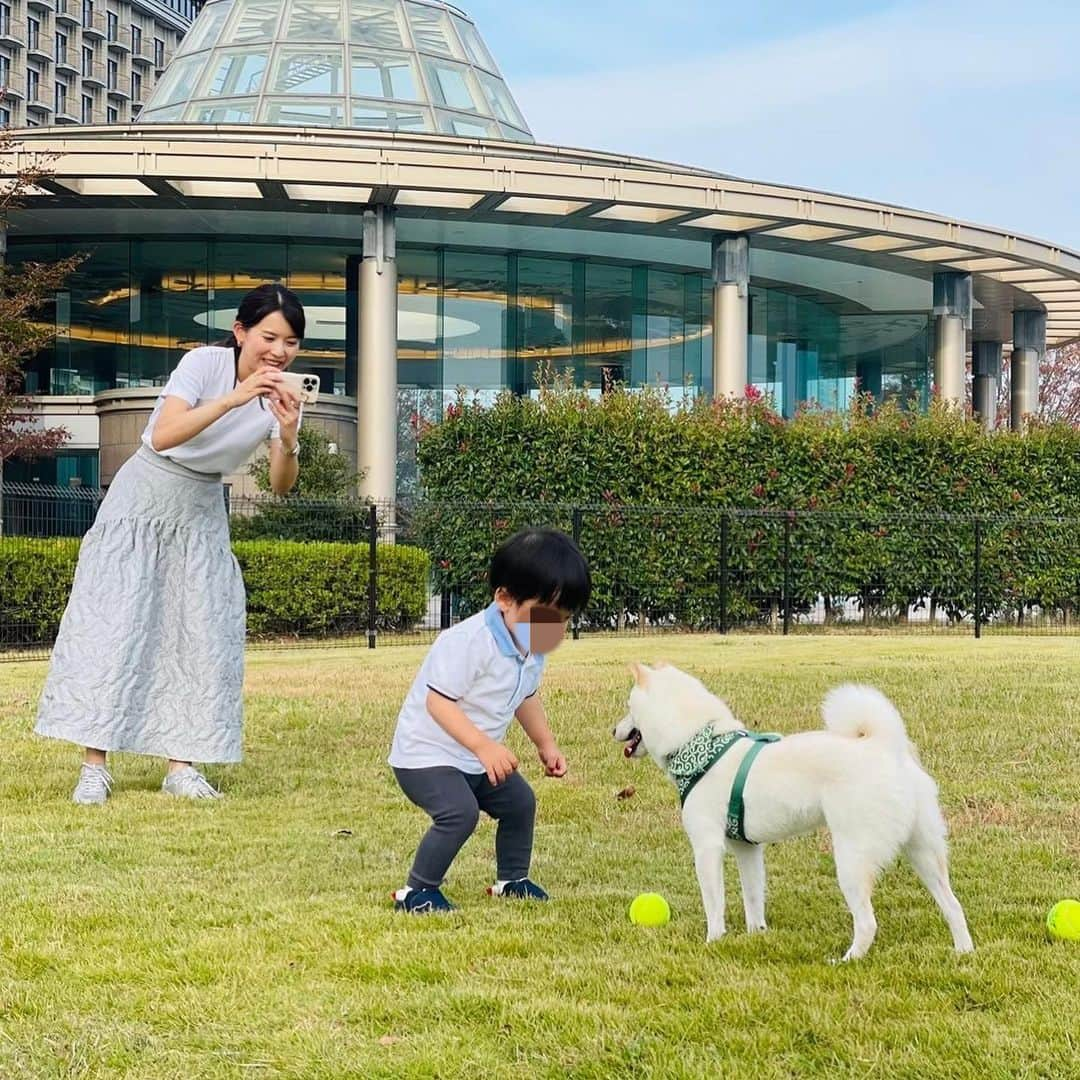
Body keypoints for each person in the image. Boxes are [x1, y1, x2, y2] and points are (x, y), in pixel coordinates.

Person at [36, 283, 307, 804]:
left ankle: (181, 765)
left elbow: (279, 486)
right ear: (241, 332)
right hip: (144, 498)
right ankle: (95, 765)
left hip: (202, 510)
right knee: (117, 623)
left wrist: (289, 435)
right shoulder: (204, 364)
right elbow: (161, 435)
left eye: (290, 342)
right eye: (269, 336)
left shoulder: (284, 397)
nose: (278, 351)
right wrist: (236, 397)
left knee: (197, 632)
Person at [388, 527, 591, 913]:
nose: (554, 630)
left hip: (476, 758)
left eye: (563, 619)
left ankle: (511, 881)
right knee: (459, 813)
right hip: (426, 756)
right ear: (504, 598)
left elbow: (525, 696)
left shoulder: (532, 646)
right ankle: (416, 891)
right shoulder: (468, 642)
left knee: (520, 802)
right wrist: (484, 746)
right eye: (545, 616)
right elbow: (439, 704)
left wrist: (545, 744)